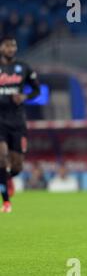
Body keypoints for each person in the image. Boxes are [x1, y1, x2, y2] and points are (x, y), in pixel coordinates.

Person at [0, 36, 40, 212]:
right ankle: (6, 202)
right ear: (1, 48)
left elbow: (37, 89)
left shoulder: (24, 68)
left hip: (17, 122)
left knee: (17, 166)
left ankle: (6, 179)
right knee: (1, 157)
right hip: (0, 120)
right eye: (7, 46)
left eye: (13, 46)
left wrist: (24, 96)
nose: (11, 48)